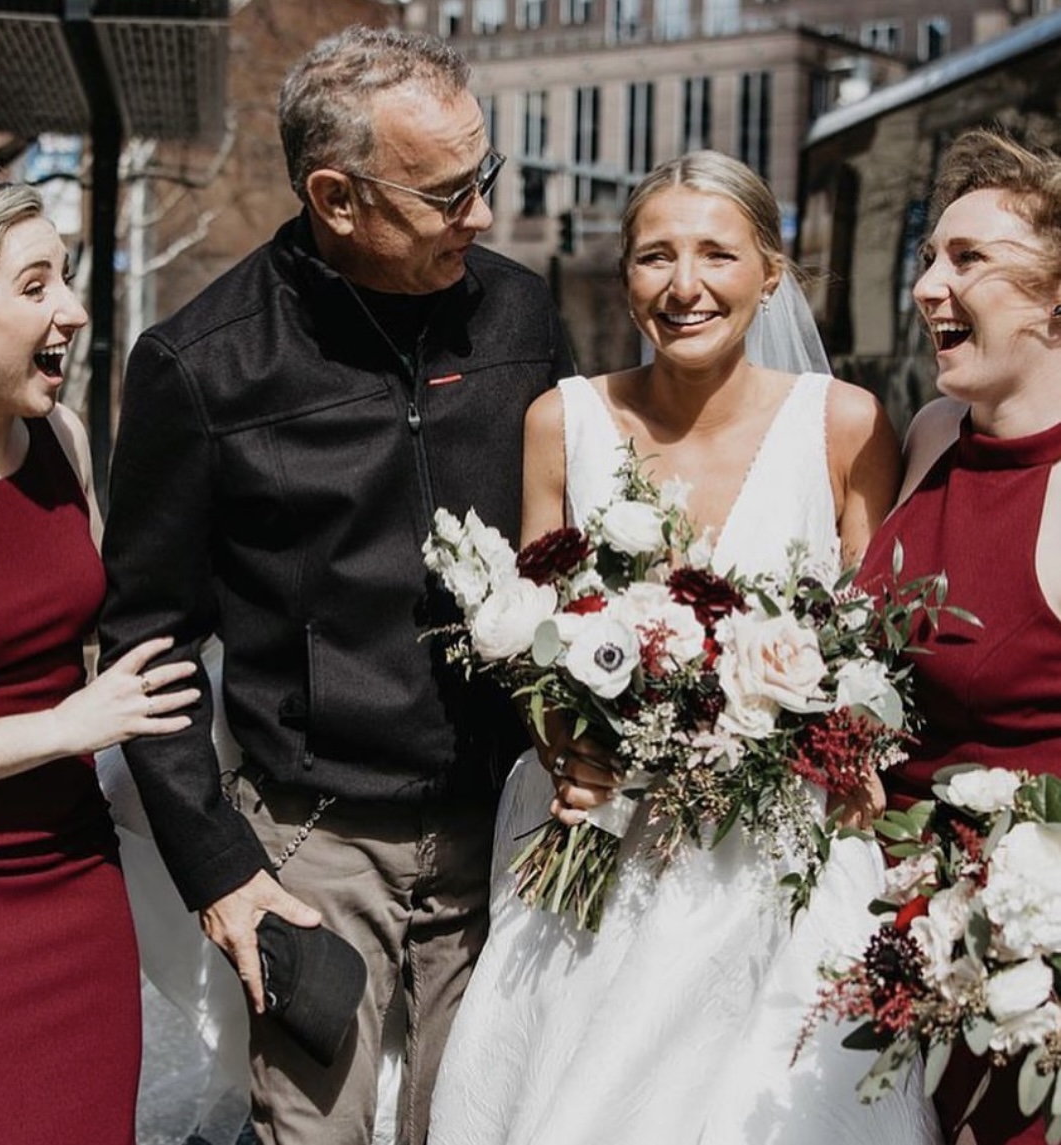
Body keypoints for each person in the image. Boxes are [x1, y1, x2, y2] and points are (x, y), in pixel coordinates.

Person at [97, 24, 574, 1145]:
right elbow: (150, 639)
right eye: (450, 192)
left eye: (484, 177)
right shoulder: (201, 363)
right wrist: (219, 867)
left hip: (504, 824)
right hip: (312, 844)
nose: (483, 217)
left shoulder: (519, 315)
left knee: (474, 1126)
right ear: (337, 196)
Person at [428, 151, 943, 1145]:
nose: (685, 284)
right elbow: (530, 635)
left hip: (777, 868)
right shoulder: (563, 421)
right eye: (655, 256)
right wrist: (562, 740)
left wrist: (829, 741)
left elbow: (874, 657)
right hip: (596, 847)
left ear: (772, 271)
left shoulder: (844, 426)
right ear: (625, 277)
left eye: (717, 253)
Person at [0, 178, 199, 1145]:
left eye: (65, 277)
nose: (72, 309)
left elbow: (102, 638)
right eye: (35, 286)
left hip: (76, 897)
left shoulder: (63, 440)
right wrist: (65, 727)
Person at [857, 128, 1061, 1145]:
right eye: (930, 257)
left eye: (968, 259)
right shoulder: (935, 432)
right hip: (887, 929)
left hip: (1016, 978)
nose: (930, 286)